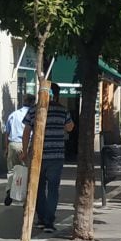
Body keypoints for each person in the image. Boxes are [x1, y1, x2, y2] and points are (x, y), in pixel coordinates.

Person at [22, 82, 76, 232]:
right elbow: (70, 127)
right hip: (56, 155)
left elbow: (26, 131)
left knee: (38, 188)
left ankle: (41, 217)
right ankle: (49, 220)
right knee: (53, 188)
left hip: (38, 155)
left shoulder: (34, 110)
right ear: (57, 95)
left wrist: (25, 151)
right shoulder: (62, 110)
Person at [3, 94, 35, 205]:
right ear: (33, 103)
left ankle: (9, 190)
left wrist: (6, 148)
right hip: (27, 144)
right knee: (27, 170)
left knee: (12, 170)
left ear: (23, 101)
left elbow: (6, 132)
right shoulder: (32, 114)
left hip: (13, 144)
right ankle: (26, 196)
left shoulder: (13, 114)